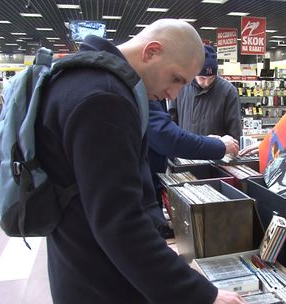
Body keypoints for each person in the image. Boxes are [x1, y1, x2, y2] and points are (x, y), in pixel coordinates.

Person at [35, 19, 244, 303]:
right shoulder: (105, 98)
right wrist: (202, 294)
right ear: (151, 52)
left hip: (81, 270)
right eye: (177, 79)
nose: (174, 94)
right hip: (104, 283)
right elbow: (120, 224)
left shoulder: (82, 78)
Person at [146, 98, 239, 238]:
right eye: (178, 80)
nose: (173, 95)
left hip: (152, 184)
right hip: (144, 192)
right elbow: (168, 137)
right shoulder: (141, 92)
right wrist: (218, 145)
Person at [169, 45, 242, 140]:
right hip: (184, 152)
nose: (207, 83)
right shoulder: (180, 87)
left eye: (211, 78)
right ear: (194, 72)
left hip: (217, 153)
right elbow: (171, 122)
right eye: (202, 78)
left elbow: (234, 130)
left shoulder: (228, 91)